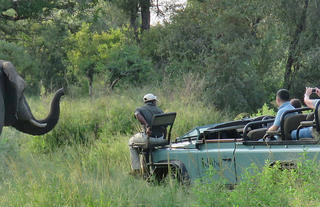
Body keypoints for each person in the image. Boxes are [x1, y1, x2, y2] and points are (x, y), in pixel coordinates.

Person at [128, 93, 166, 175]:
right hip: (161, 139)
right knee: (145, 147)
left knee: (131, 142)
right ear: (154, 101)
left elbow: (137, 115)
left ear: (146, 102)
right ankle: (146, 171)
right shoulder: (160, 111)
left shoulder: (140, 109)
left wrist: (146, 125)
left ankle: (136, 170)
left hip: (149, 139)